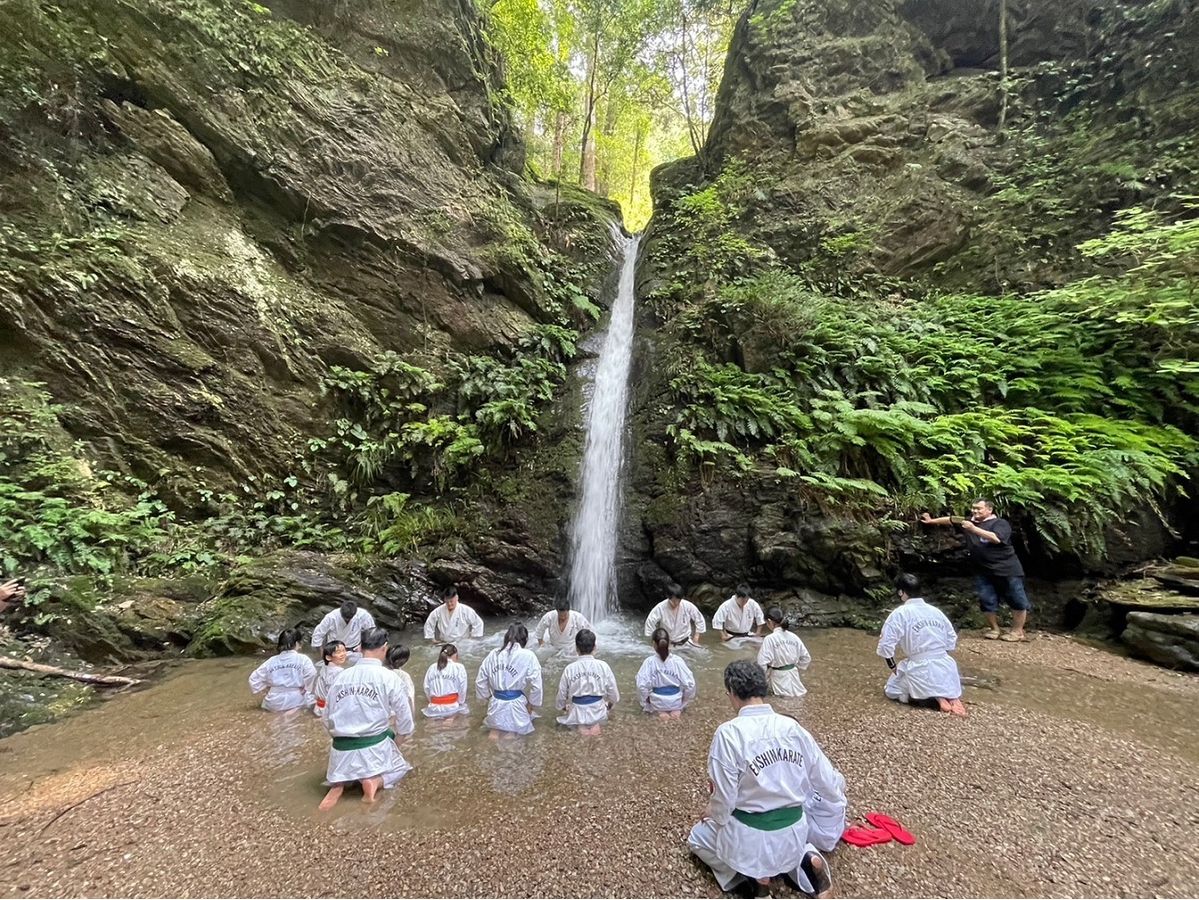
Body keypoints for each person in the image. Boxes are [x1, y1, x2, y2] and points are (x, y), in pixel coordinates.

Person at [687, 660, 847, 897]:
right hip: (794, 830)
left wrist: (713, 814)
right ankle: (805, 858)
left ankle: (750, 881)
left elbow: (724, 799)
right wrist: (833, 811)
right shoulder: (793, 728)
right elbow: (827, 781)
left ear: (731, 693)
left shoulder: (729, 733)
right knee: (786, 846)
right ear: (763, 689)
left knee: (697, 838)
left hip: (751, 837)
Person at [320, 626, 415, 810]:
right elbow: (405, 720)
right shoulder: (389, 677)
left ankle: (338, 784)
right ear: (384, 648)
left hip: (341, 750)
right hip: (373, 749)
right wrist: (398, 742)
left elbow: (326, 717)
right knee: (402, 768)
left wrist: (340, 737)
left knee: (343, 770)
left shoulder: (341, 677)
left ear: (361, 648)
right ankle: (375, 782)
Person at [921, 498, 1031, 641]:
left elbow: (996, 538)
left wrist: (973, 529)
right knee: (987, 600)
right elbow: (950, 519)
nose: (975, 511)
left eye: (979, 508)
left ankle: (1017, 632)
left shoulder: (1000, 523)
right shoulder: (968, 521)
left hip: (1007, 569)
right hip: (982, 570)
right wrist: (931, 521)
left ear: (989, 510)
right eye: (973, 508)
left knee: (1017, 599)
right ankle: (994, 628)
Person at [877, 574, 966, 716]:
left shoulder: (900, 613)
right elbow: (951, 638)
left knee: (892, 690)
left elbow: (886, 644)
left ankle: (935, 700)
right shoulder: (936, 611)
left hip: (920, 666)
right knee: (940, 682)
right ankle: (951, 697)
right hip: (946, 665)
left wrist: (892, 666)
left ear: (901, 592)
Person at [476, 623, 543, 735]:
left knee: (494, 732)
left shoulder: (493, 654)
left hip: (496, 702)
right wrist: (532, 704)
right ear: (524, 639)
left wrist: (486, 697)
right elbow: (537, 685)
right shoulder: (528, 655)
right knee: (512, 734)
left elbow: (480, 680)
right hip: (516, 704)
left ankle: (486, 750)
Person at [555, 629, 619, 733]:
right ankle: (594, 726)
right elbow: (613, 695)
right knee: (598, 724)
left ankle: (582, 728)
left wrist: (563, 707)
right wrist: (609, 706)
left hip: (577, 711)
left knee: (575, 727)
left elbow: (561, 694)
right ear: (594, 647)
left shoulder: (570, 669)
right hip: (598, 710)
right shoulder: (603, 666)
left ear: (576, 648)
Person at [248, 627, 316, 712]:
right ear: (297, 643)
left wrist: (266, 688)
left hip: (273, 701)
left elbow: (253, 679)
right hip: (295, 699)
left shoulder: (271, 661)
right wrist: (306, 688)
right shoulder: (303, 659)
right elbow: (312, 675)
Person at [635, 627, 697, 717]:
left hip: (657, 702)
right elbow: (691, 684)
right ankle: (676, 712)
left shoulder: (649, 662)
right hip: (676, 701)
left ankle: (661, 713)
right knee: (675, 716)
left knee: (660, 717)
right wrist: (684, 700)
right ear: (669, 643)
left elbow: (641, 686)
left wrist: (646, 702)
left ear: (653, 644)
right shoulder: (677, 661)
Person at [756, 608, 811, 698]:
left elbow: (761, 663)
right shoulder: (794, 637)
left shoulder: (770, 639)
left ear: (769, 621)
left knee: (782, 701)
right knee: (797, 699)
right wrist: (794, 666)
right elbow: (806, 658)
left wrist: (763, 680)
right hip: (794, 675)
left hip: (779, 678)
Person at [311, 600, 375, 663]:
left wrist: (364, 648)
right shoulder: (331, 617)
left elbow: (371, 631)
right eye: (345, 618)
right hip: (334, 650)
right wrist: (323, 656)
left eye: (350, 618)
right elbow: (317, 635)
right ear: (341, 611)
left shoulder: (363, 615)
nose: (347, 620)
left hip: (354, 650)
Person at [422, 643, 470, 718]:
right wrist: (460, 702)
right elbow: (463, 688)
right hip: (452, 706)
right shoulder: (459, 667)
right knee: (463, 720)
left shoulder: (432, 667)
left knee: (433, 726)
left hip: (434, 707)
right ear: (455, 655)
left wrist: (432, 701)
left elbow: (426, 687)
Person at [312, 639, 348, 717]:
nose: (343, 654)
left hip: (319, 707)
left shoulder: (324, 668)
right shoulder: (339, 672)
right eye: (338, 652)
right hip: (329, 709)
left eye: (344, 650)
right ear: (328, 657)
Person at [386, 644, 416, 712]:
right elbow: (410, 698)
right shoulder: (404, 676)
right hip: (400, 713)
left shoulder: (381, 673)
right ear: (405, 661)